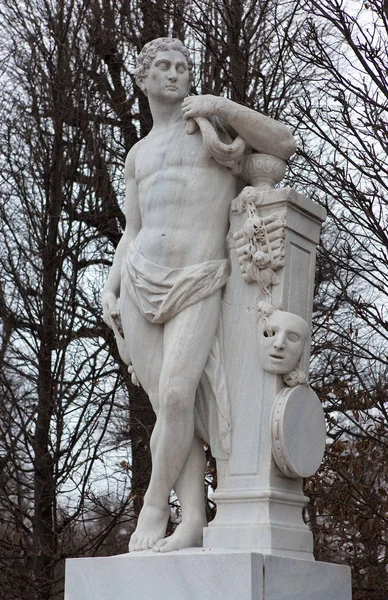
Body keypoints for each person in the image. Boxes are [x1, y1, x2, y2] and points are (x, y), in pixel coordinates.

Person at [101, 37, 296, 553]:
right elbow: (132, 228)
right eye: (161, 67)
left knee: (176, 395)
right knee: (169, 411)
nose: (174, 74)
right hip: (140, 280)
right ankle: (190, 522)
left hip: (199, 277)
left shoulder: (212, 127)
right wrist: (111, 284)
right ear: (143, 80)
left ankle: (152, 506)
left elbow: (284, 143)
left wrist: (218, 105)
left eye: (182, 67)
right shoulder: (137, 153)